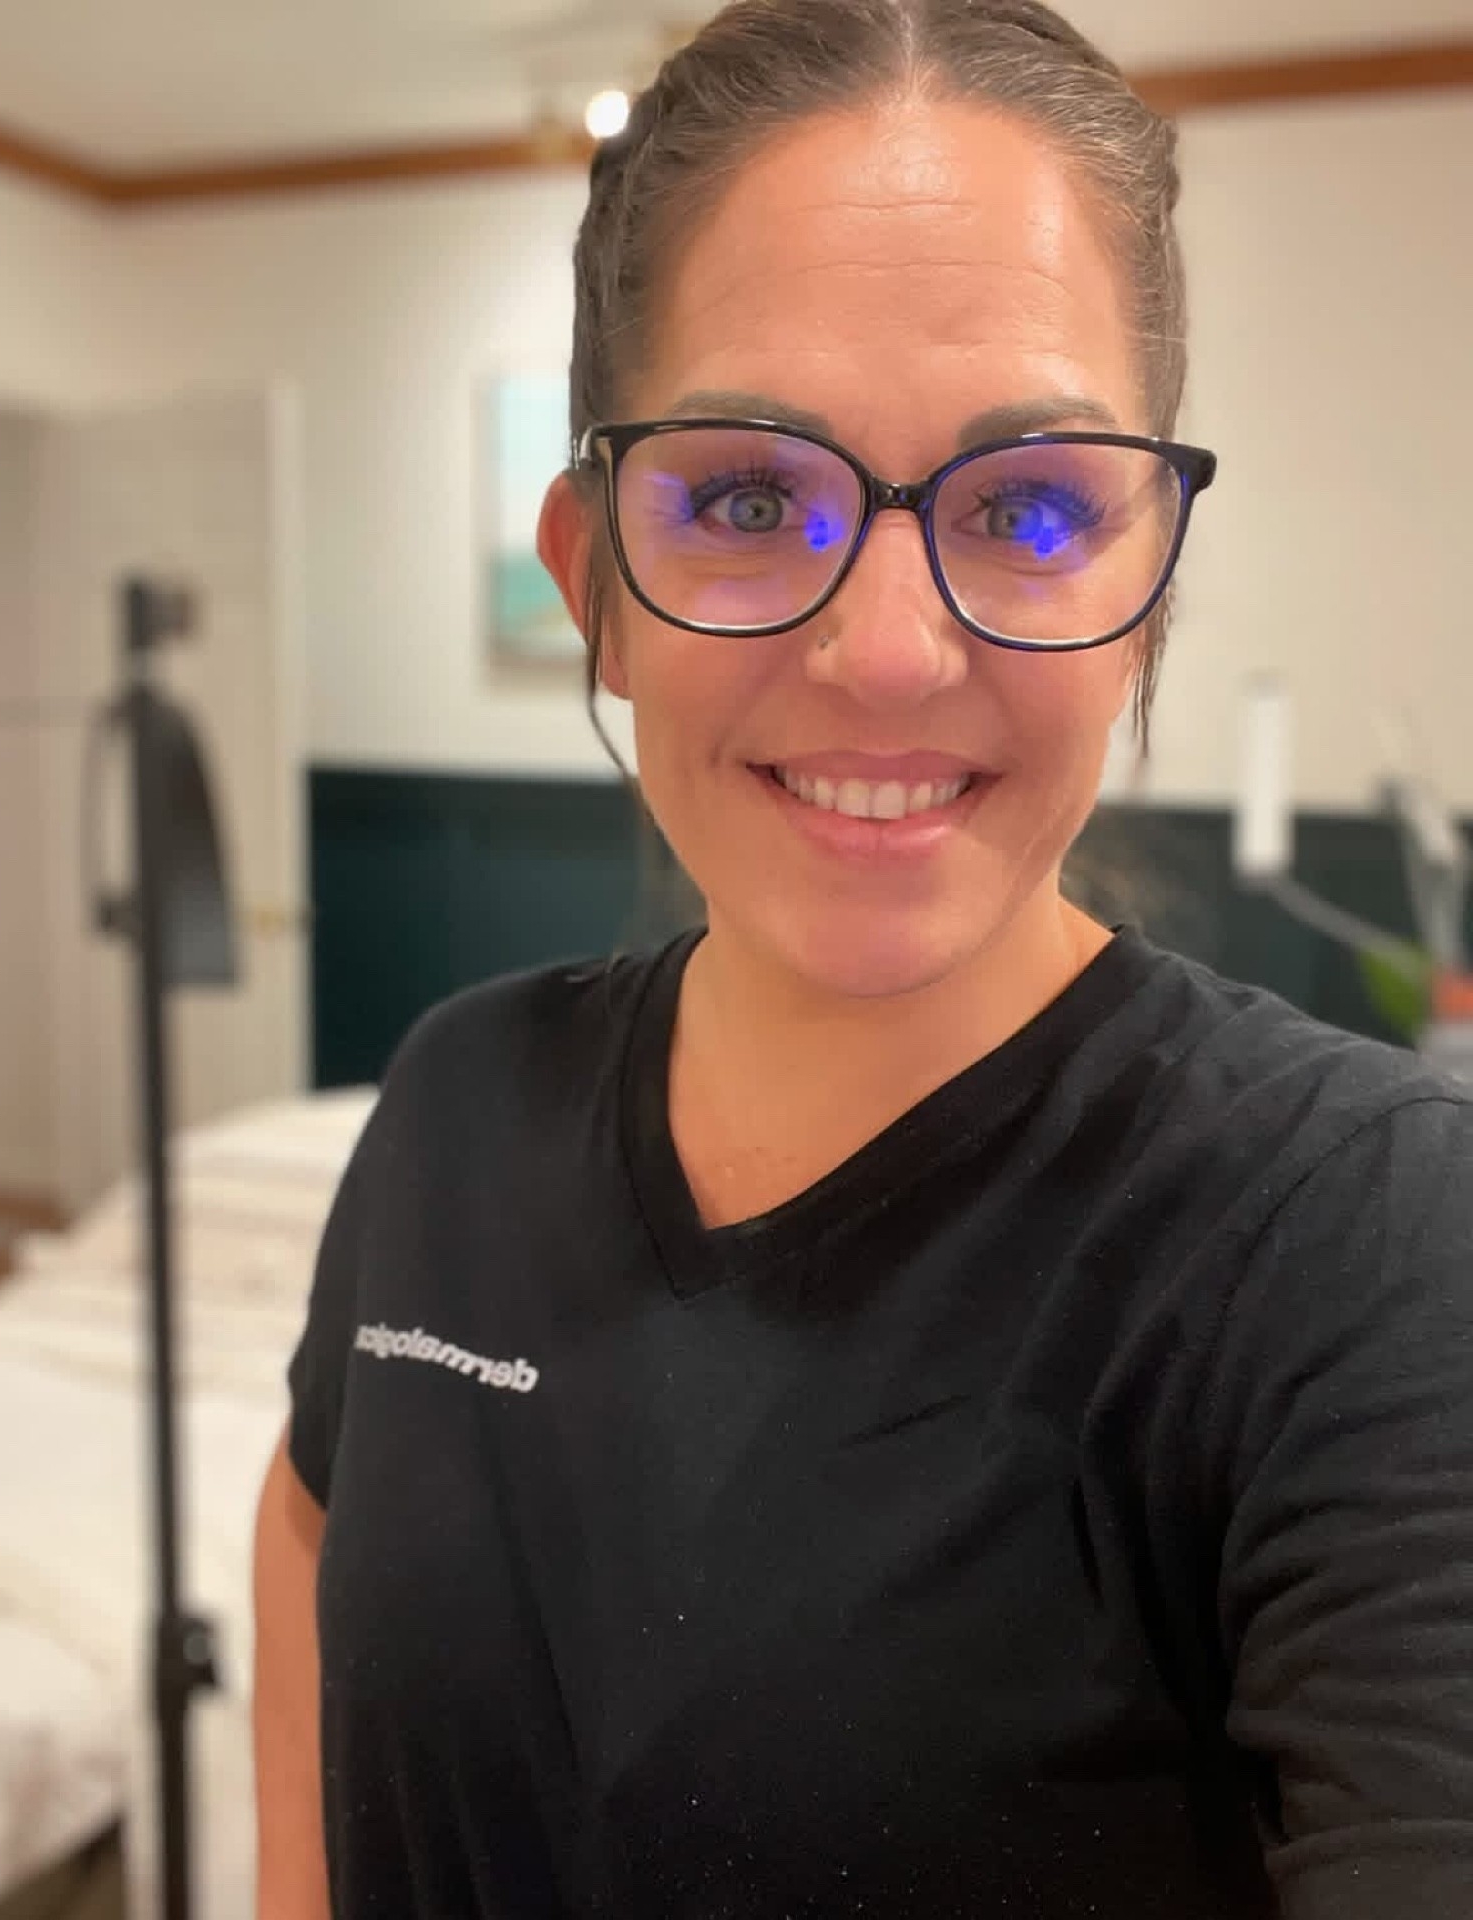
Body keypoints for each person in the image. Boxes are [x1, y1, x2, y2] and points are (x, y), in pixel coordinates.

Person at [253, 0, 1473, 1913]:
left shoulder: (1366, 1243)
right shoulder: (455, 1097)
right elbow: (314, 1531)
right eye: (749, 498)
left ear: (1149, 593)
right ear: (595, 588)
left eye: (1033, 505)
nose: (892, 653)